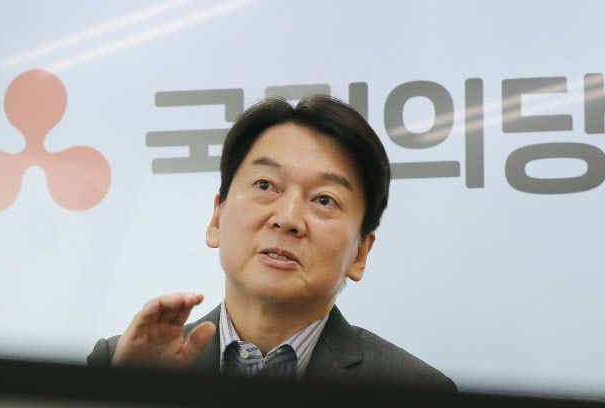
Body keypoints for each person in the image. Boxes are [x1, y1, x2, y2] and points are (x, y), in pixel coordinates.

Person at [87, 95, 456, 391]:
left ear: (360, 253)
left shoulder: (415, 391)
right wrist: (132, 395)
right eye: (265, 185)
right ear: (217, 219)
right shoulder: (122, 365)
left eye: (324, 199)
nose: (288, 218)